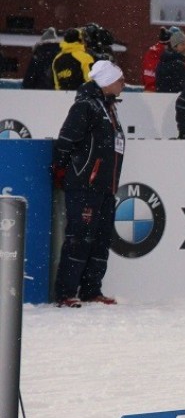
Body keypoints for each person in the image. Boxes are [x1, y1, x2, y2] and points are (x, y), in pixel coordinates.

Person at [51, 60, 127, 307]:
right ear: (106, 81)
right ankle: (65, 293)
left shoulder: (109, 107)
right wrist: (61, 169)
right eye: (119, 79)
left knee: (101, 239)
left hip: (106, 187)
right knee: (79, 238)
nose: (123, 83)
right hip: (85, 185)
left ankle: (91, 289)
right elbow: (66, 139)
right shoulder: (85, 106)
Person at [155, 28, 185, 92]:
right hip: (172, 99)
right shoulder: (176, 64)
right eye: (182, 44)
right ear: (174, 47)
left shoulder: (167, 60)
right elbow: (183, 87)